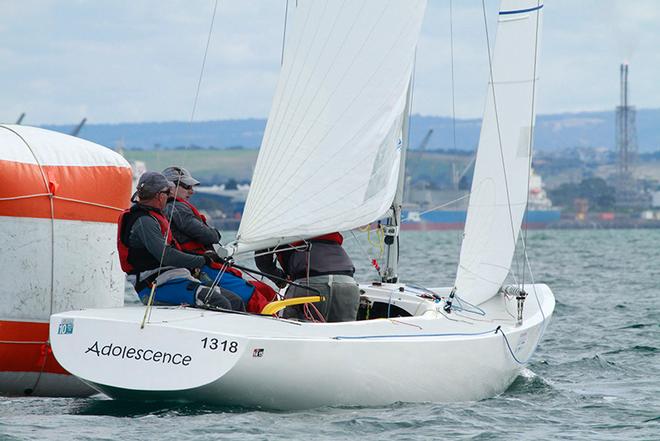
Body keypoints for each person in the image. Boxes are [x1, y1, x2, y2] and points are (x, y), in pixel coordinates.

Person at [117, 171, 244, 311]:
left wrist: (206, 256)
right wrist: (203, 260)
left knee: (235, 300)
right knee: (219, 302)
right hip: (156, 285)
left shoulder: (152, 216)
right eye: (167, 193)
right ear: (160, 196)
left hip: (174, 278)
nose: (169, 197)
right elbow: (166, 255)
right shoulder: (144, 221)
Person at [161, 166, 276, 313]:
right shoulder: (177, 209)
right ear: (171, 187)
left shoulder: (167, 209)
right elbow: (209, 236)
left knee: (263, 291)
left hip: (200, 266)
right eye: (187, 186)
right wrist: (214, 232)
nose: (192, 191)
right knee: (254, 296)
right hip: (202, 267)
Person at [255, 232, 360, 322]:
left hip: (309, 285)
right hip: (349, 285)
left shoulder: (279, 226)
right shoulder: (322, 222)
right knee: (342, 335)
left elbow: (262, 262)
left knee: (292, 334)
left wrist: (281, 279)